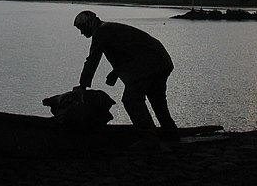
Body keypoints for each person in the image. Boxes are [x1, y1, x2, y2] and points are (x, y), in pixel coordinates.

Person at [73, 10, 179, 149]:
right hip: (161, 59)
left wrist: (82, 85)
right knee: (157, 99)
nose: (81, 33)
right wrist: (116, 72)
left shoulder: (101, 32)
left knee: (131, 99)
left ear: (89, 23)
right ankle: (170, 132)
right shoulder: (109, 29)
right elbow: (129, 51)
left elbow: (92, 60)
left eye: (81, 28)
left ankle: (149, 138)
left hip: (151, 62)